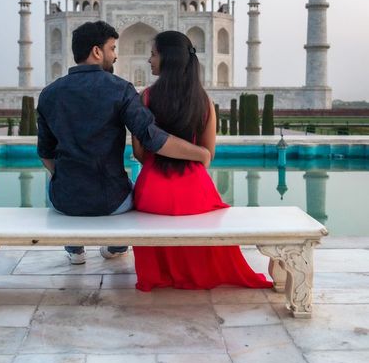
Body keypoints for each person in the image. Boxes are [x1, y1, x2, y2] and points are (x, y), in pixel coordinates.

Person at [37, 21, 210, 265]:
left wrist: (68, 176)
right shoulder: (120, 89)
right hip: (112, 201)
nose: (116, 55)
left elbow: (45, 152)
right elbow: (153, 138)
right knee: (132, 190)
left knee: (67, 186)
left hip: (64, 199)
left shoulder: (49, 93)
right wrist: (199, 153)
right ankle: (116, 246)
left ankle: (75, 248)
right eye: (112, 48)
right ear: (97, 52)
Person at [132, 30, 272, 291]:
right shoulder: (203, 100)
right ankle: (197, 272)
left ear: (168, 59)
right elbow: (208, 154)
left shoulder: (146, 98)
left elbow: (139, 153)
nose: (148, 60)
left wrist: (159, 157)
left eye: (152, 54)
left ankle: (160, 274)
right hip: (194, 188)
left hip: (153, 188)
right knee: (210, 215)